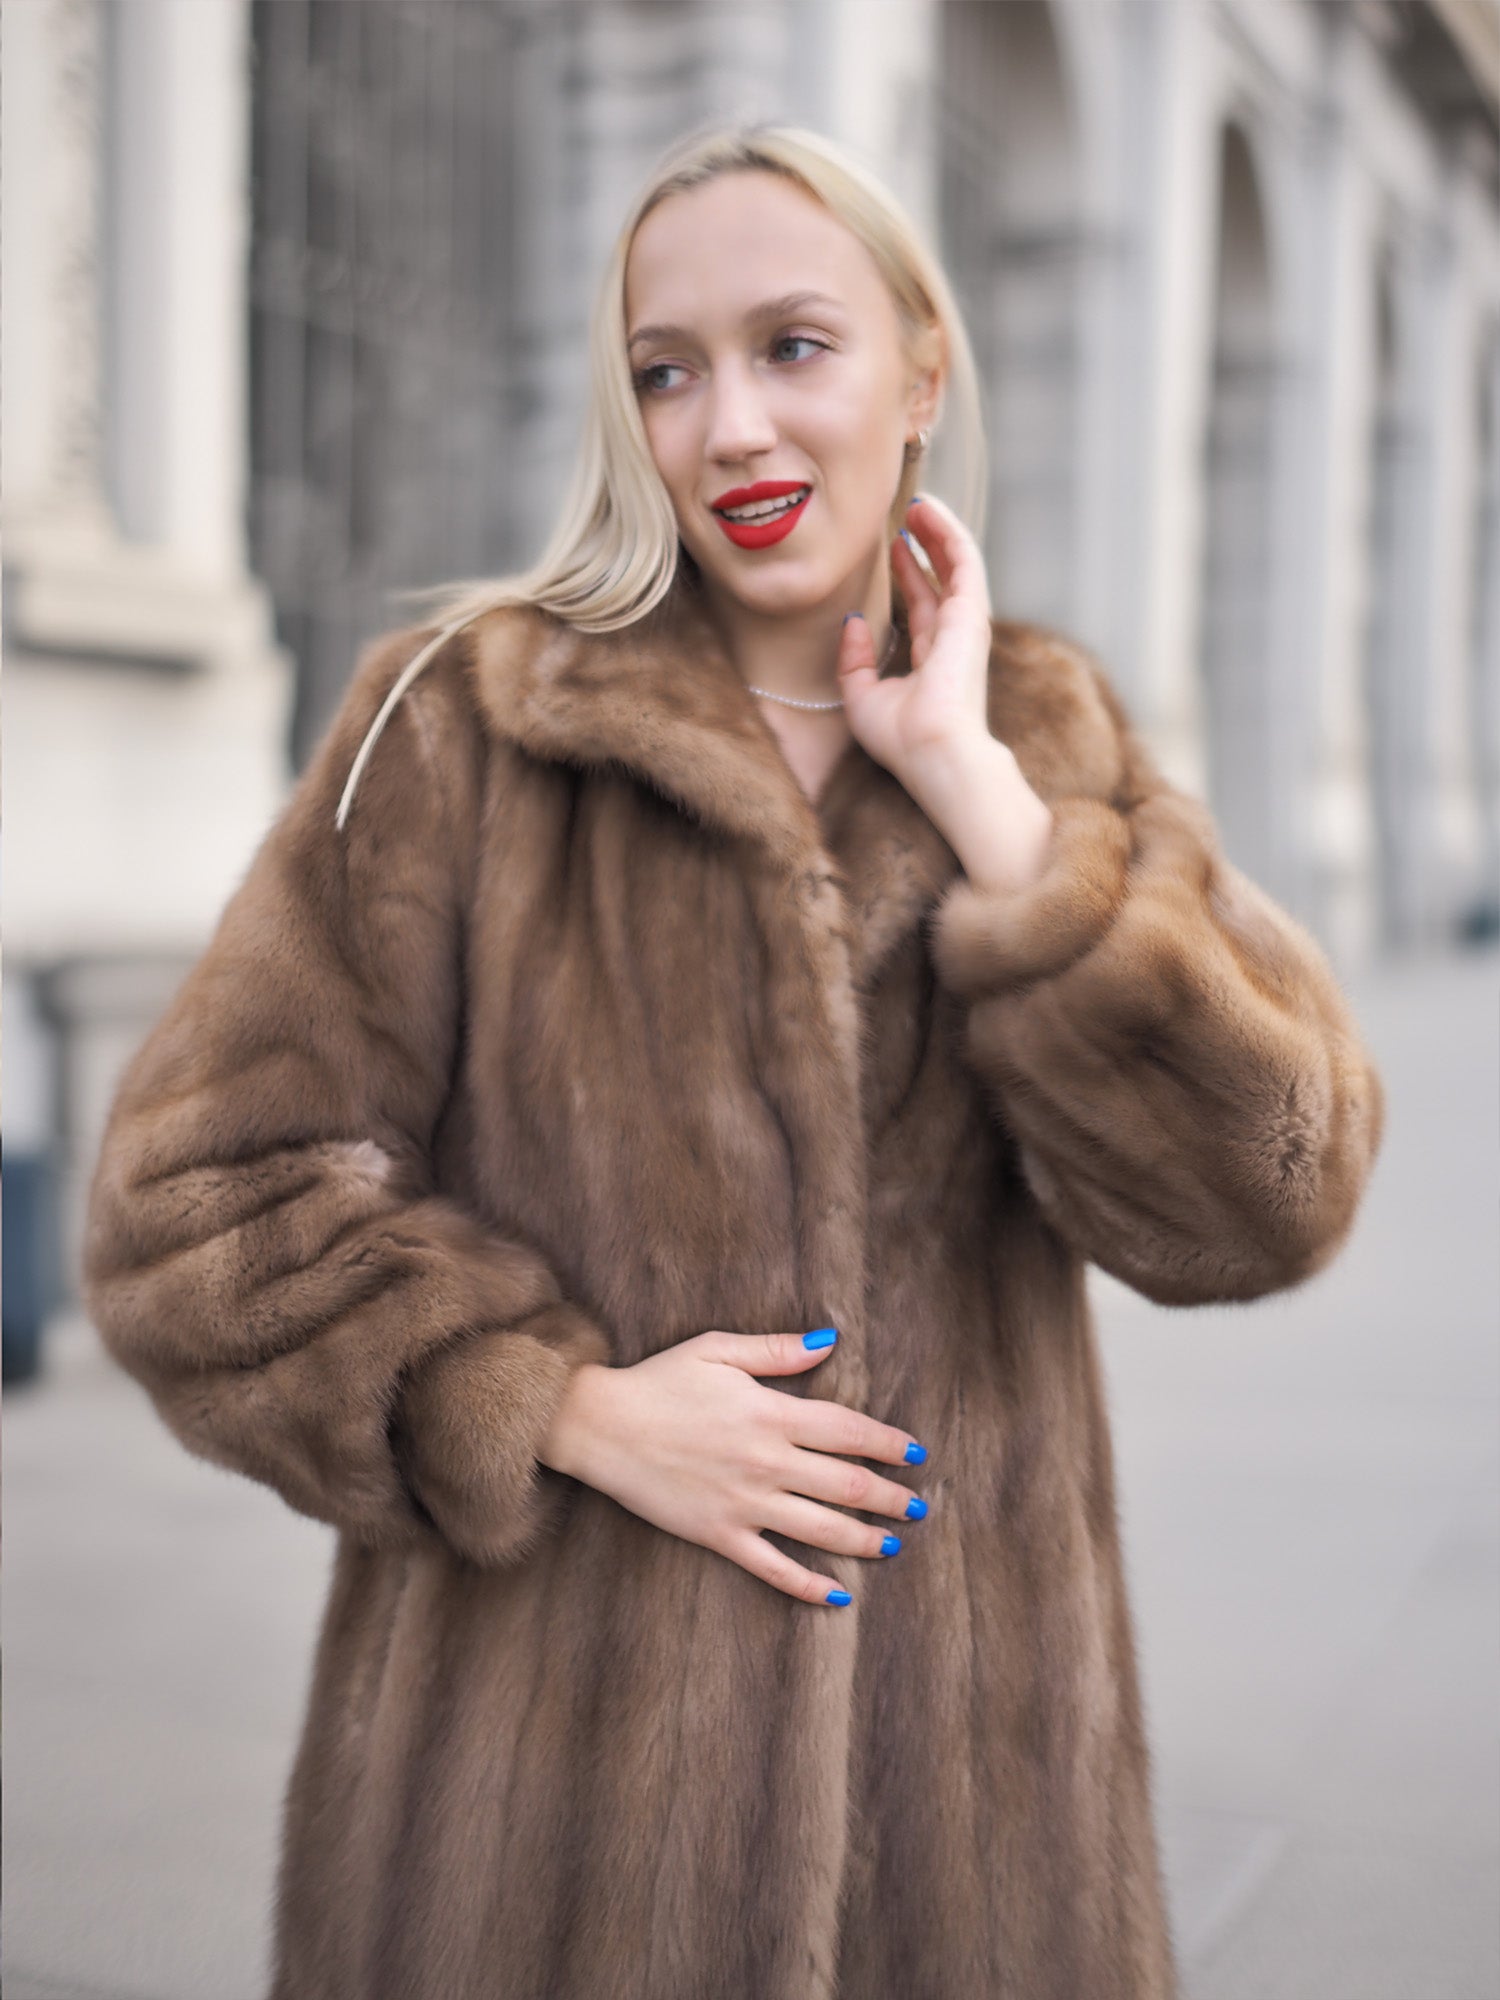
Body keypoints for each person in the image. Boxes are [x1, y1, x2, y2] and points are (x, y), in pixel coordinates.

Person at [83, 121, 1385, 2000]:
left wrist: (991, 811)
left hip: (976, 1844)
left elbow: (1277, 1192)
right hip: (532, 1847)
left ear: (922, 369)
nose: (732, 433)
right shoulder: (468, 726)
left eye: (796, 347)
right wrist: (560, 1407)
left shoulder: (1047, 740)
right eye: (665, 373)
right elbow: (189, 1214)